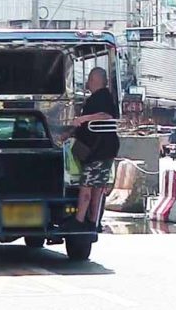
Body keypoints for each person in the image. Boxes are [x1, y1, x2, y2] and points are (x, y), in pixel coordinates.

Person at [66, 67, 119, 231]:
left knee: (87, 187)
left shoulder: (102, 98)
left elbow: (106, 116)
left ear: (95, 80)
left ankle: (80, 221)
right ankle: (93, 221)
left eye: (89, 79)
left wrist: (83, 118)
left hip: (97, 150)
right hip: (104, 149)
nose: (87, 82)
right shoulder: (99, 98)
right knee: (97, 188)